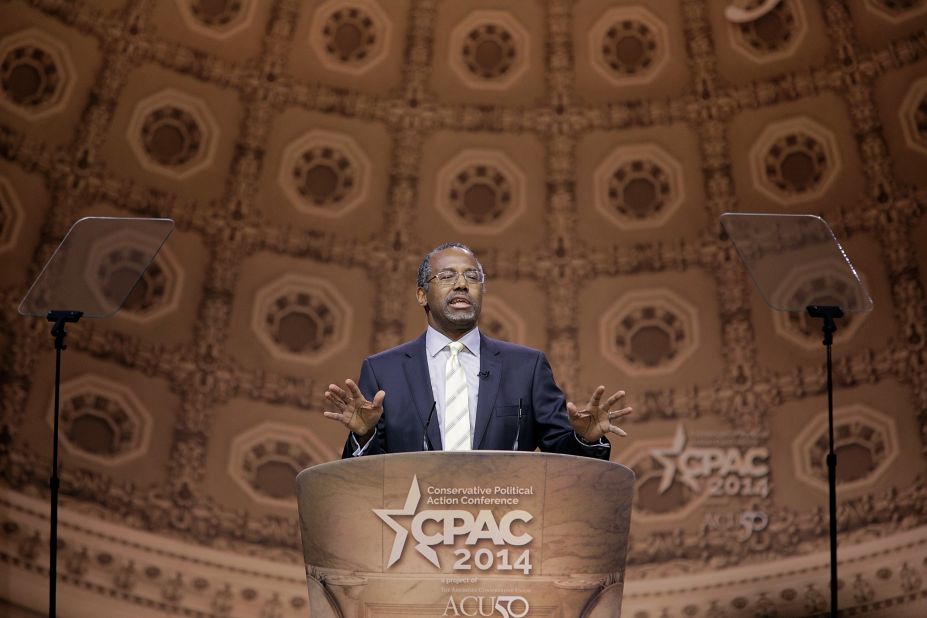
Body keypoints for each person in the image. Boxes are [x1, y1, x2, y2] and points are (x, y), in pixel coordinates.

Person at [323, 242, 631, 459]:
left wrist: (585, 438)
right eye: (446, 276)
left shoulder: (527, 367)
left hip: (503, 536)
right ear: (421, 295)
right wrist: (363, 436)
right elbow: (364, 480)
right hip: (412, 534)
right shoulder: (383, 371)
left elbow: (566, 461)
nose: (461, 284)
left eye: (472, 277)